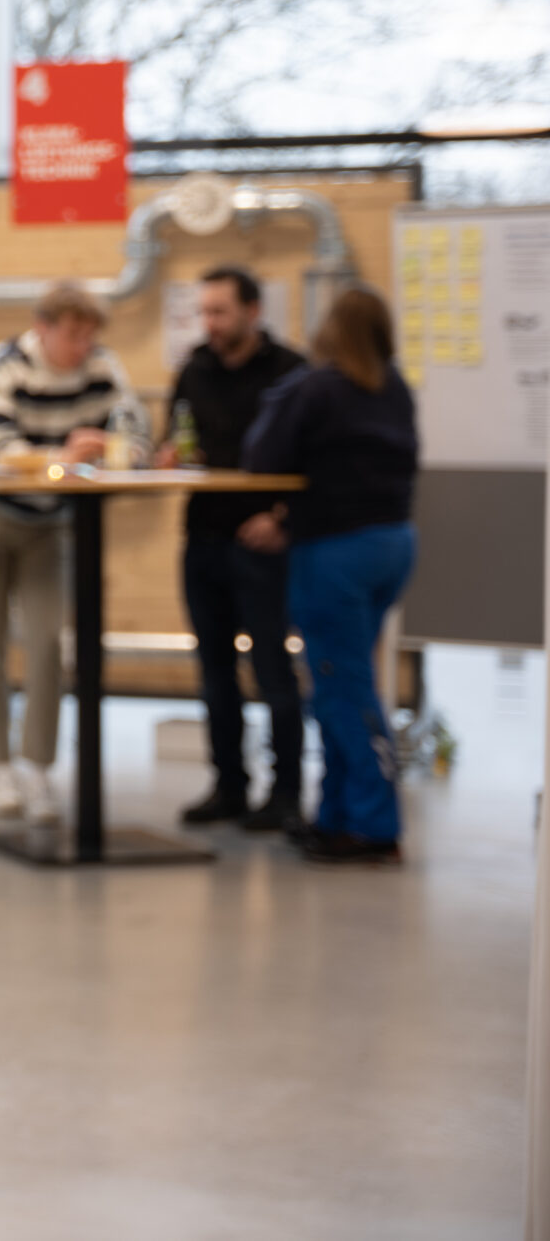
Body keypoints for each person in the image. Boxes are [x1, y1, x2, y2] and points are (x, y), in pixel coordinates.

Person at [241, 287, 419, 866]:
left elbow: (261, 456)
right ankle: (336, 817)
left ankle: (373, 825)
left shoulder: (318, 388)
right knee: (344, 680)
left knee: (343, 691)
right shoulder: (394, 390)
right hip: (392, 545)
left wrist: (292, 388)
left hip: (336, 554)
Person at [0, 280, 149, 825]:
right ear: (43, 328)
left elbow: (136, 435)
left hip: (54, 521)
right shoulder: (8, 362)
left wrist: (116, 451)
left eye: (90, 333)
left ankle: (38, 767)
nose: (83, 344)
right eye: (73, 333)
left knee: (48, 644)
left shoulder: (103, 367)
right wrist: (63, 456)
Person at [156, 267, 307, 830]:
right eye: (204, 312)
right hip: (204, 539)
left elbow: (317, 460)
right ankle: (229, 786)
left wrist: (281, 519)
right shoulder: (194, 368)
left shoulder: (293, 373)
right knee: (214, 673)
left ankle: (287, 794)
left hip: (263, 542)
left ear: (252, 311)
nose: (210, 323)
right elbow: (173, 436)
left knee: (272, 670)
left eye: (219, 311)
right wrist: (168, 454)